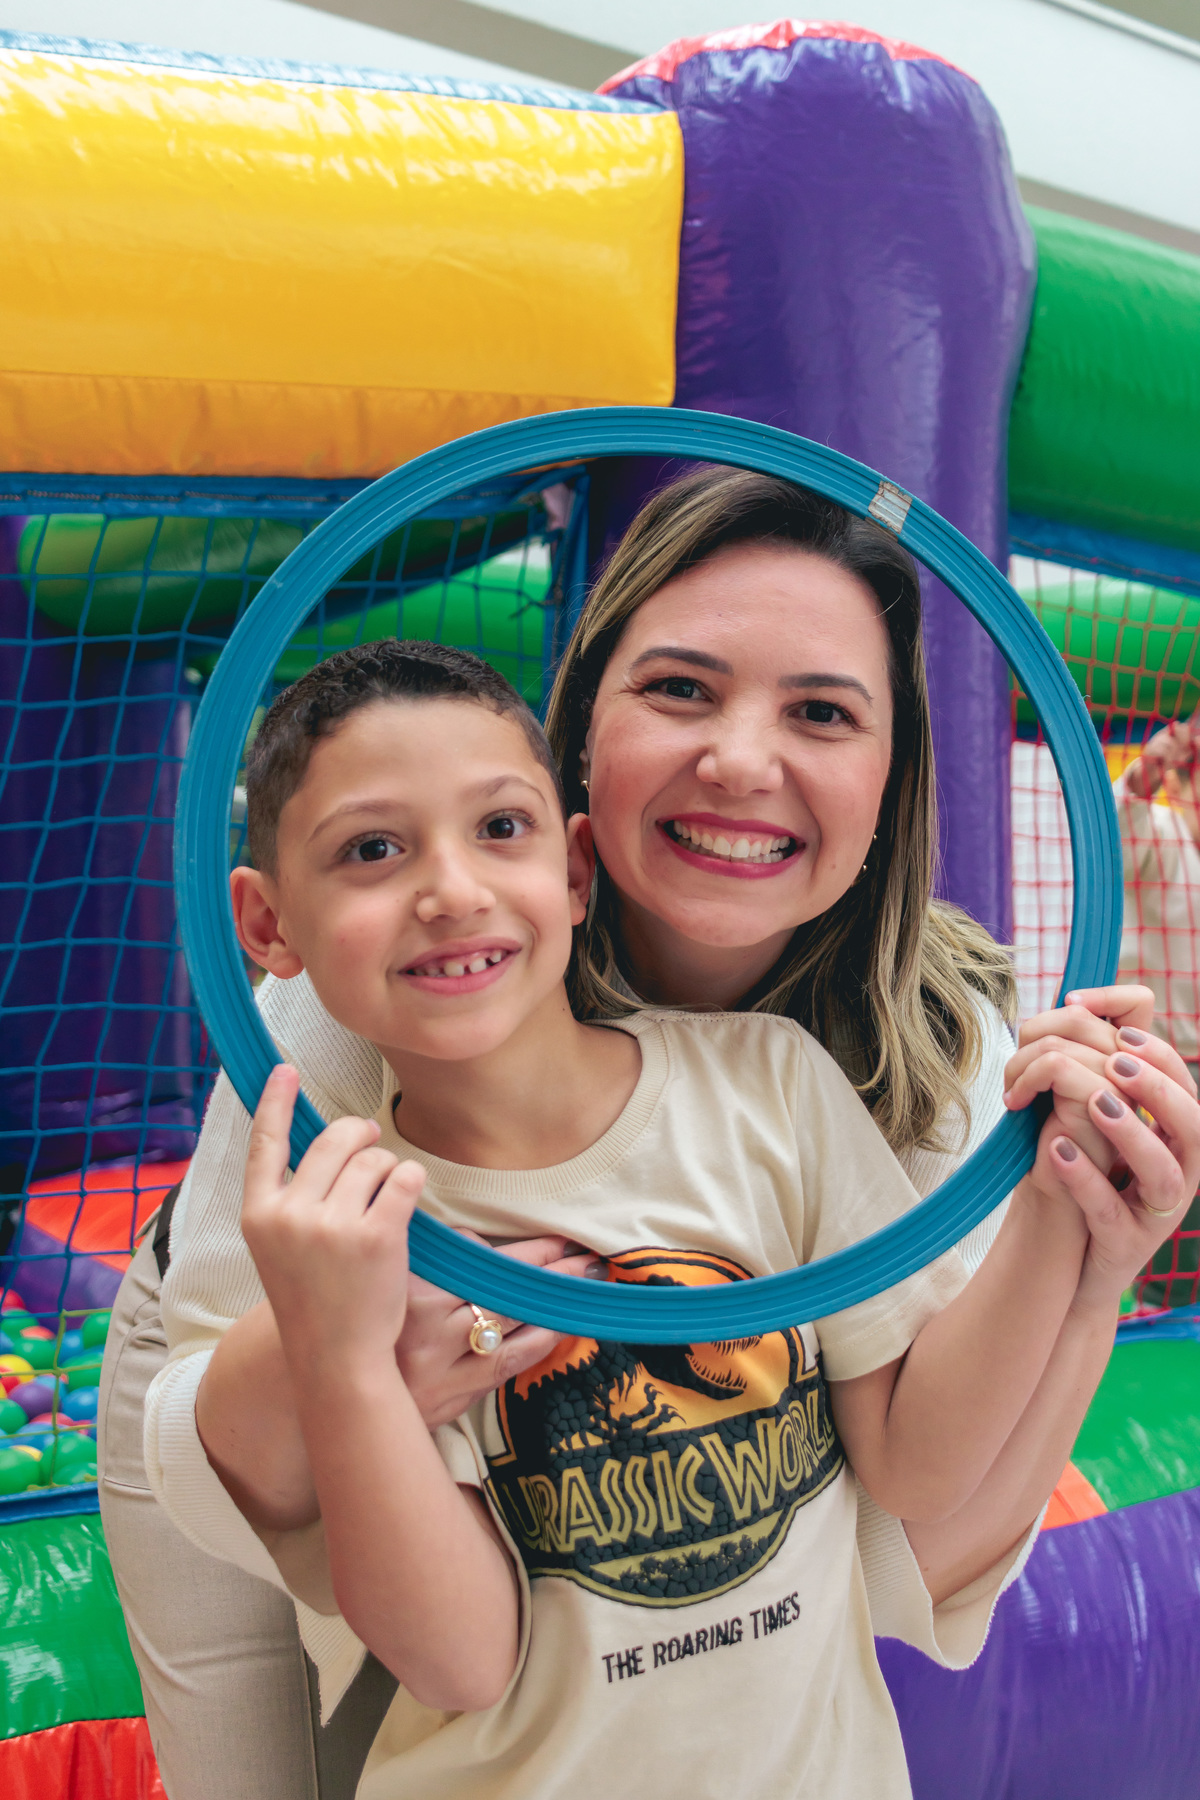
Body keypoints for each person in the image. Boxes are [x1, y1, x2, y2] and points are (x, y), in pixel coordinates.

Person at [97, 469, 1200, 1796]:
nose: (740, 761)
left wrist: (1088, 1263)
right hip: (249, 1356)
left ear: (891, 771)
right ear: (583, 730)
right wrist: (344, 1367)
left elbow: (905, 1534)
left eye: (821, 712)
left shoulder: (938, 1049)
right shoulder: (391, 987)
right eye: (680, 689)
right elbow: (273, 1494)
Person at [1113, 712, 1200, 1306]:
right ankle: (1157, 1299)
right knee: (1169, 1185)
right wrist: (1152, 765)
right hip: (1167, 1057)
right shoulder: (1161, 831)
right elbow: (1126, 813)